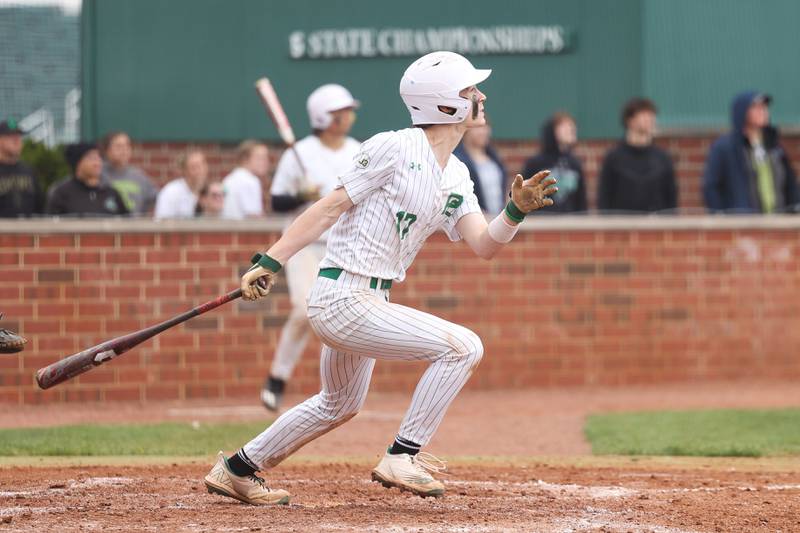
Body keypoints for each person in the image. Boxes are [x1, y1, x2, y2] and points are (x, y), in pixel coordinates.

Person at [203, 51, 558, 505]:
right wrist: (270, 261)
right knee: (464, 347)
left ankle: (238, 468)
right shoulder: (393, 145)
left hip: (371, 301)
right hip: (342, 297)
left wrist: (514, 212)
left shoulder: (457, 173)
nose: (480, 96)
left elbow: (484, 245)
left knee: (340, 404)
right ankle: (402, 455)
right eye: (470, 91)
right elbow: (328, 208)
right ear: (445, 104)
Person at [260, 83, 361, 411]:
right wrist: (304, 195)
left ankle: (339, 388)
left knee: (343, 316)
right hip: (305, 245)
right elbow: (276, 201)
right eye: (341, 112)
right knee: (305, 311)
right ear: (325, 117)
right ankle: (277, 377)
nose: (348, 116)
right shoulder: (298, 152)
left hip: (343, 245)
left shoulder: (357, 150)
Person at [703, 91, 798, 213]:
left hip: (777, 222)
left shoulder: (774, 147)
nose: (762, 110)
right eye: (755, 107)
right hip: (744, 224)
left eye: (764, 106)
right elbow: (711, 187)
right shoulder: (724, 148)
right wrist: (721, 217)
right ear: (742, 111)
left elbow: (790, 183)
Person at [597, 98, 678, 213]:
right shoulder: (614, 158)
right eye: (644, 116)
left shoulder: (662, 158)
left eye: (652, 116)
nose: (650, 120)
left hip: (656, 226)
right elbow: (604, 199)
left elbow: (671, 198)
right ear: (630, 121)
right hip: (623, 226)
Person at [523, 112, 587, 213]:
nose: (570, 128)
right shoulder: (536, 163)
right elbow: (525, 197)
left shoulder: (575, 164)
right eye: (563, 125)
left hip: (571, 222)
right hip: (543, 222)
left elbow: (581, 201)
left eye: (571, 125)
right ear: (552, 131)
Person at [46, 143, 129, 216]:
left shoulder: (111, 193)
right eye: (91, 158)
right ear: (78, 163)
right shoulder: (61, 193)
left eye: (99, 158)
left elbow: (127, 223)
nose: (97, 163)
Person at [453, 118, 507, 214]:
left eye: (486, 127)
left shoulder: (494, 158)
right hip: (473, 218)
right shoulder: (457, 161)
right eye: (478, 127)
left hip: (497, 218)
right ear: (466, 129)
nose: (484, 131)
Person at [100, 131, 158, 215]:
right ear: (106, 150)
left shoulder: (139, 176)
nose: (124, 150)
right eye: (118, 146)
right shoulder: (99, 174)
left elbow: (157, 198)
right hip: (108, 225)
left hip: (135, 226)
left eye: (127, 146)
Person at [0, 118, 43, 218]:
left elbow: (40, 207)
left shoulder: (28, 171)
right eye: (10, 136)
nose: (17, 141)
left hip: (26, 230)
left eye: (19, 136)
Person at [154, 149, 209, 219]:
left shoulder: (210, 190)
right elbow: (162, 223)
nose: (200, 170)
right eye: (194, 167)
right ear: (184, 171)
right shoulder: (171, 192)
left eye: (202, 165)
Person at [221, 141, 270, 219]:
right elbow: (254, 216)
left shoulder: (229, 178)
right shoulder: (251, 181)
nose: (266, 162)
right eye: (260, 158)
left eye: (266, 158)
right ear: (245, 159)